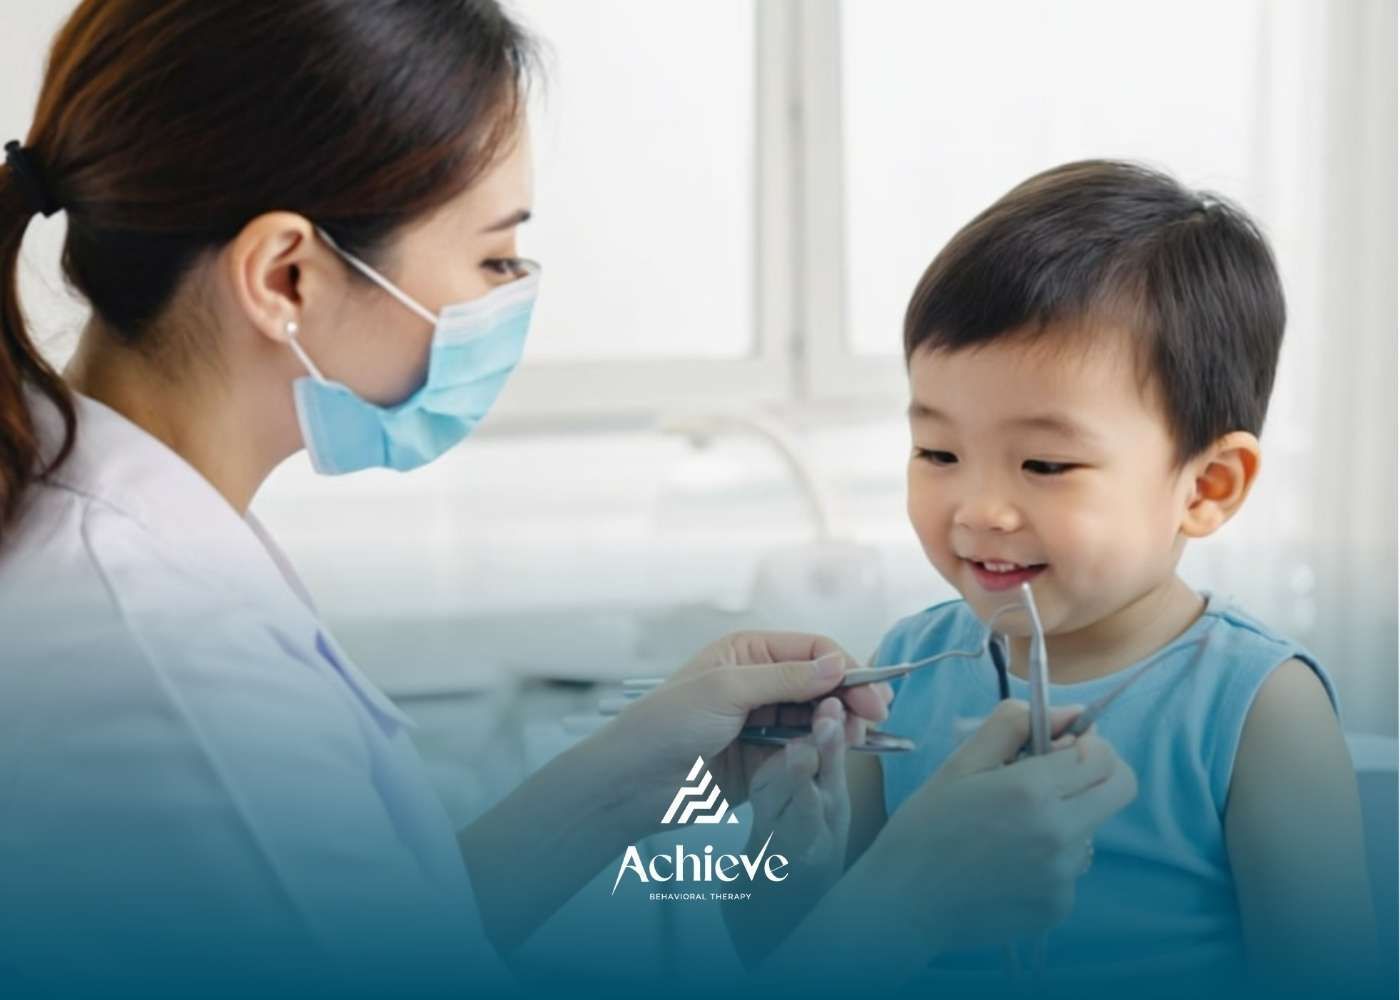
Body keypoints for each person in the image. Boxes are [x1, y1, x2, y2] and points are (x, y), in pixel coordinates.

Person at [0, 3, 1137, 997]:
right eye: (494, 259)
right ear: (285, 275)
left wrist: (633, 770)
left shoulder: (146, 544)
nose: (512, 299)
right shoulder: (156, 660)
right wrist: (908, 905)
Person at [726, 161, 1381, 998]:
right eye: (937, 452)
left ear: (1206, 487)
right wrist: (783, 860)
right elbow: (783, 957)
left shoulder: (1260, 708)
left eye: (1045, 463)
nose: (979, 509)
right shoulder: (901, 672)